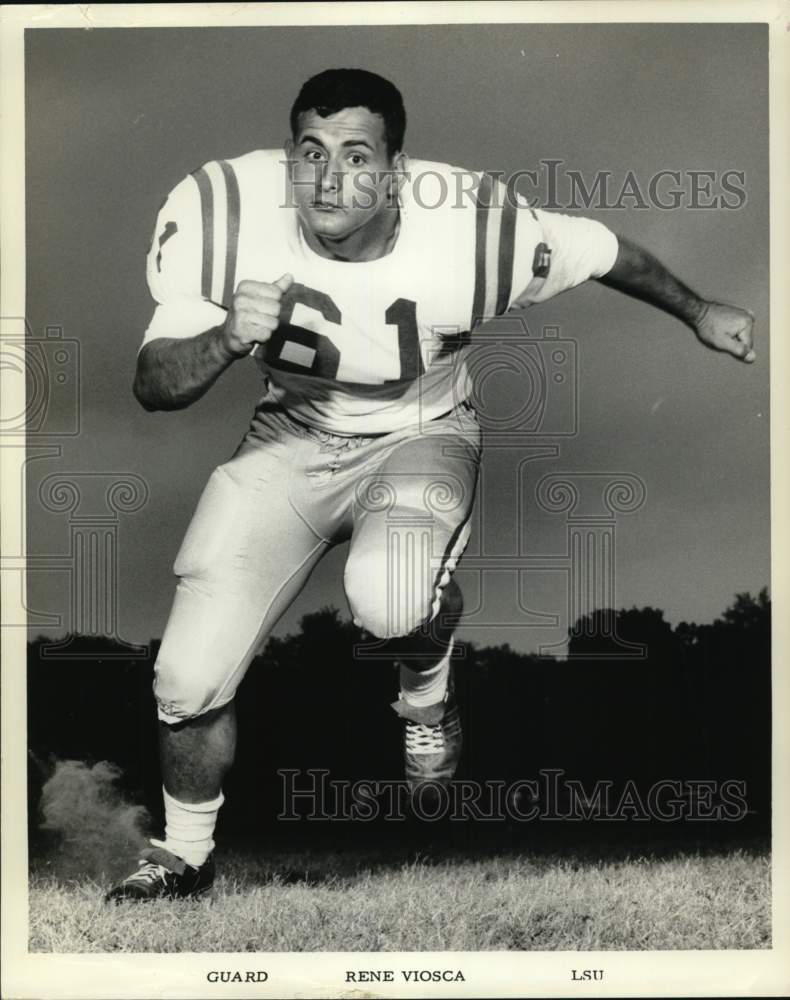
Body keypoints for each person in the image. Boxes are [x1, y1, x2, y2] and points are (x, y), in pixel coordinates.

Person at [106, 68, 754, 901]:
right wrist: (229, 337)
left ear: (397, 169)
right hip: (291, 435)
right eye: (311, 152)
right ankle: (183, 856)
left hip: (422, 433)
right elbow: (154, 385)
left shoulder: (473, 225)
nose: (330, 178)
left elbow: (602, 249)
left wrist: (699, 311)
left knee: (390, 597)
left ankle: (428, 691)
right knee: (186, 677)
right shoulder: (222, 211)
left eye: (357, 155)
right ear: (286, 157)